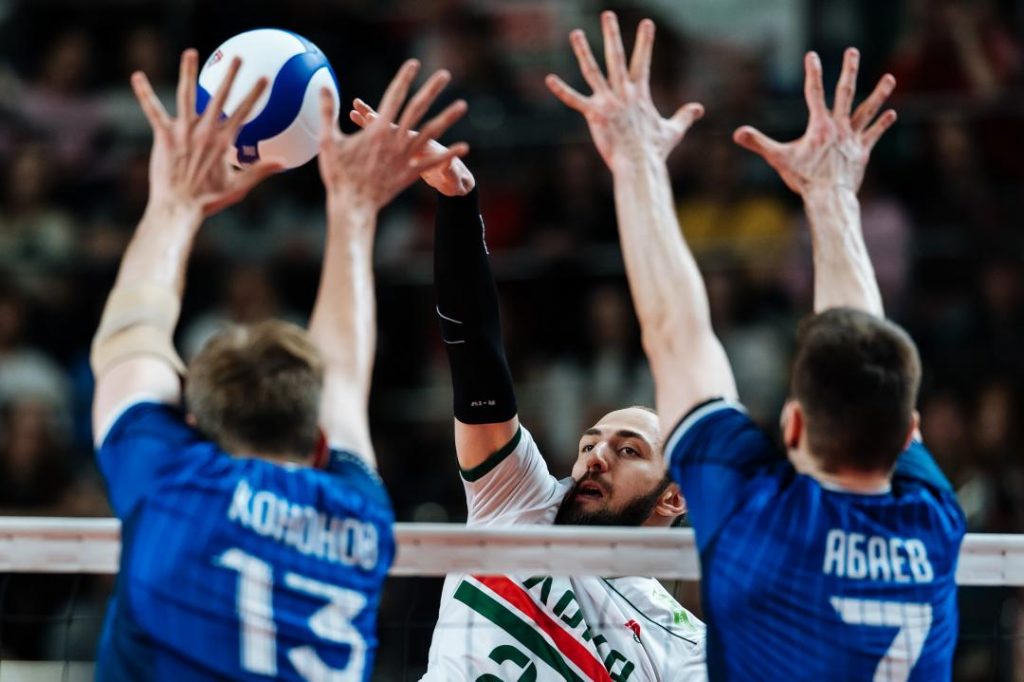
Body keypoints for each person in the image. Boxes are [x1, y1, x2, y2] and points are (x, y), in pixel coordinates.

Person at [548, 12, 966, 680]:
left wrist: (634, 159)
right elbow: (864, 365)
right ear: (908, 431)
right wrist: (833, 198)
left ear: (793, 426)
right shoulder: (934, 522)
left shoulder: (758, 518)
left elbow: (676, 332)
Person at [90, 50, 468, 680]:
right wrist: (353, 211)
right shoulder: (360, 516)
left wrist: (175, 202)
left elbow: (131, 331)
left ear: (197, 427)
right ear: (318, 442)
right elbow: (341, 378)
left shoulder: (171, 484)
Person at [350, 102, 706, 682]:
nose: (595, 456)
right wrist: (457, 199)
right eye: (591, 442)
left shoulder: (689, 652)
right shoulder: (520, 501)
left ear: (674, 497)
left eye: (628, 450)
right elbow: (476, 360)